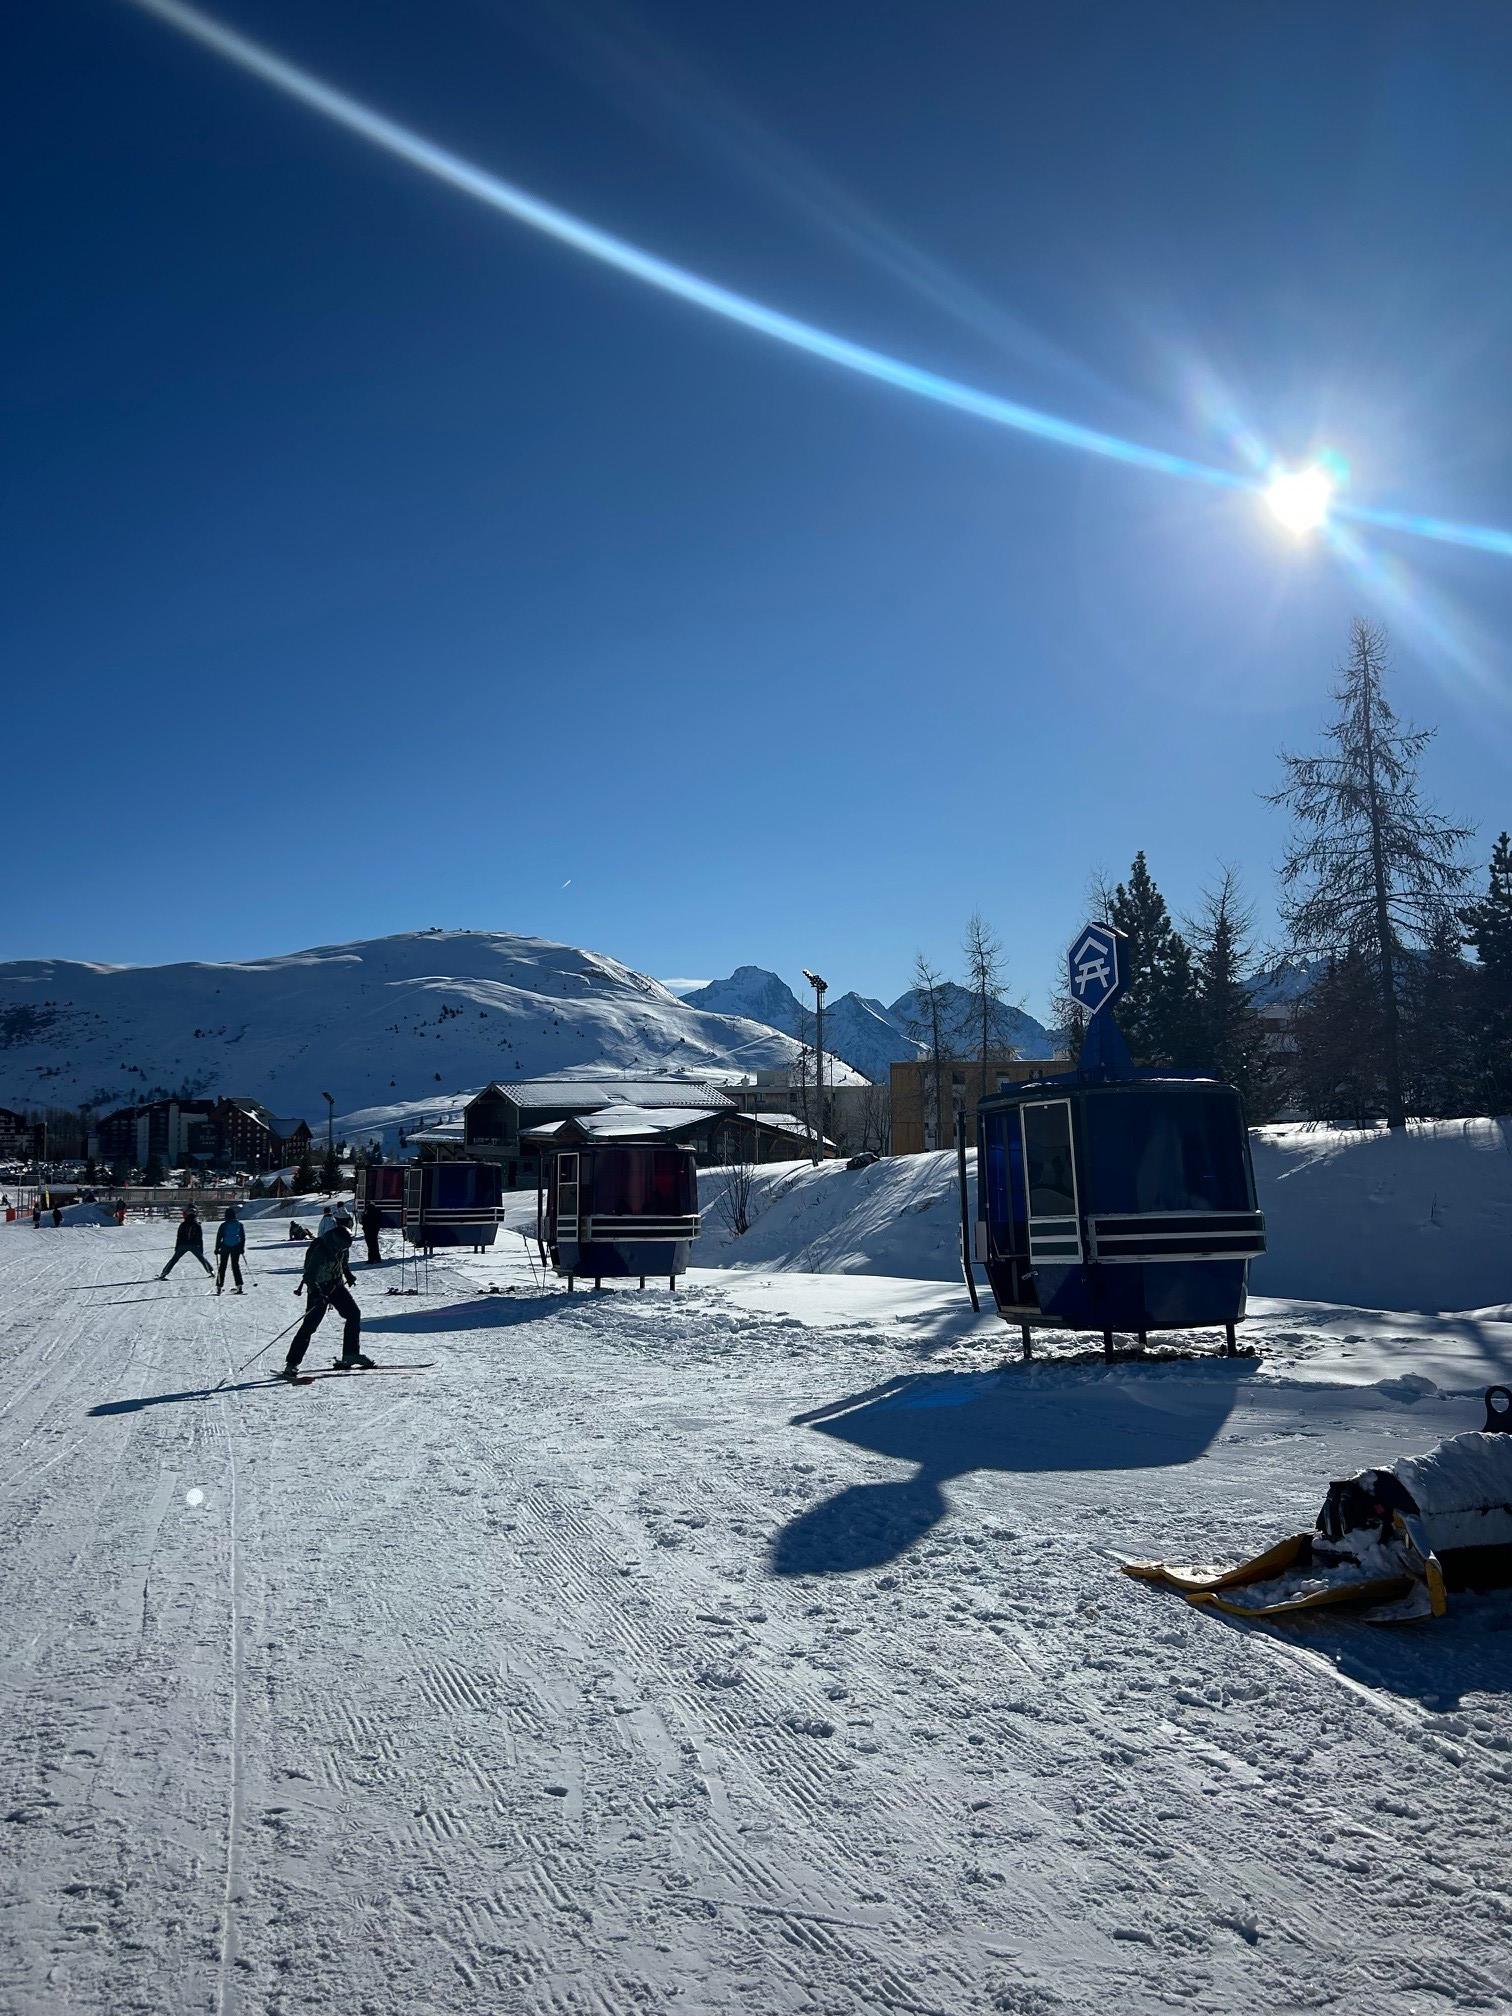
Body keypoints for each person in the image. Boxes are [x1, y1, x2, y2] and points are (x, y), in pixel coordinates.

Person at [281, 1217, 372, 1378]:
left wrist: (349, 1276)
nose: (344, 1250)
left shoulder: (342, 1246)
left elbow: (343, 1263)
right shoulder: (320, 1249)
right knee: (310, 1326)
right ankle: (292, 1363)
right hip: (318, 1289)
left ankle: (350, 1354)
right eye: (342, 1247)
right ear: (335, 1242)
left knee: (353, 1314)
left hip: (336, 1285)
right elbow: (309, 1275)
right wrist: (317, 1293)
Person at [161, 1204, 212, 1278]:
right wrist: (201, 1248)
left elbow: (179, 1237)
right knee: (202, 1259)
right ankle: (211, 1271)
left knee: (174, 1259)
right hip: (194, 1245)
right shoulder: (197, 1225)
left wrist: (177, 1247)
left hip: (183, 1245)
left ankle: (164, 1273)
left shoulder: (183, 1224)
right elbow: (200, 1238)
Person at [214, 1205, 247, 1294]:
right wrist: (241, 1248)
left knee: (222, 1266)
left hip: (225, 1246)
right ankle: (239, 1286)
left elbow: (219, 1237)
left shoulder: (223, 1225)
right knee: (235, 1265)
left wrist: (217, 1248)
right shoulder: (239, 1224)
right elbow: (242, 1237)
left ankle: (219, 1287)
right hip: (236, 1246)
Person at [360, 1195, 385, 1265]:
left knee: (370, 1246)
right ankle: (377, 1258)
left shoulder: (367, 1215)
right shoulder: (377, 1213)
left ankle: (371, 1259)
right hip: (374, 1231)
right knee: (375, 1244)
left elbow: (363, 1222)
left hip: (368, 1231)